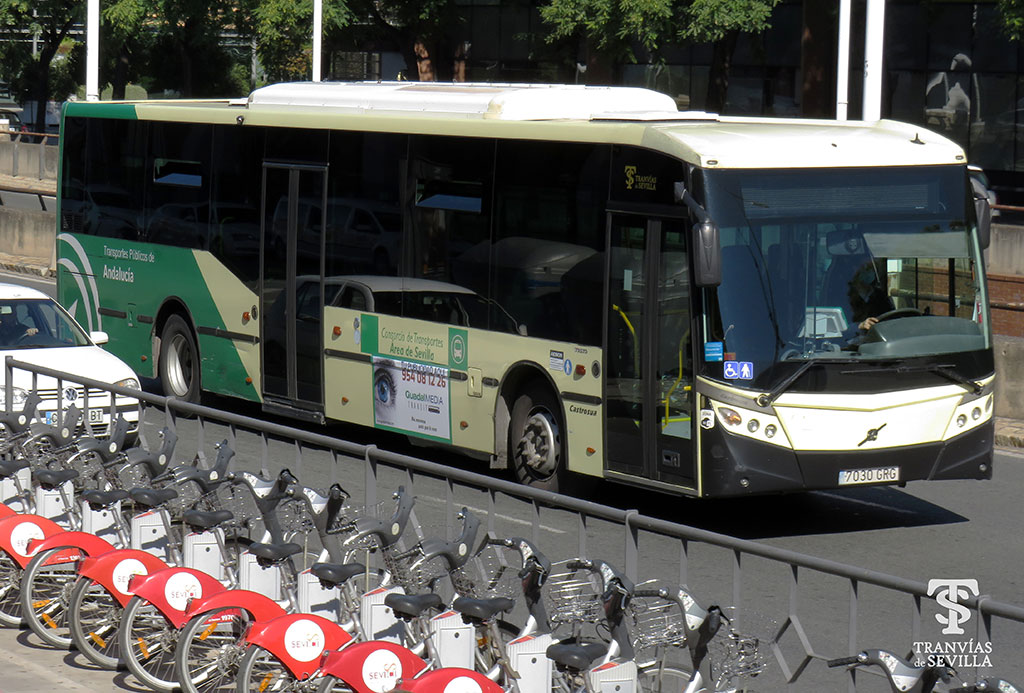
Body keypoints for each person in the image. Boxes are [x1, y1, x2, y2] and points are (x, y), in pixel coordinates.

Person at [844, 260, 893, 346]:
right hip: (850, 345)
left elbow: (891, 316)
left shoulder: (880, 295)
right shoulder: (845, 295)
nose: (870, 272)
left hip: (878, 343)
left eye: (873, 269)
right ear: (855, 270)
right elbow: (839, 327)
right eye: (866, 269)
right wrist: (859, 326)